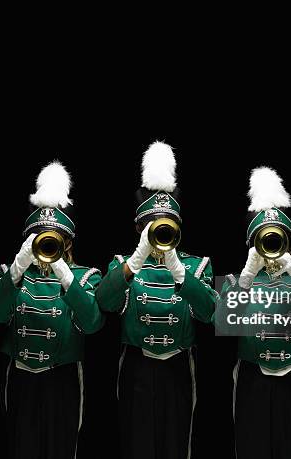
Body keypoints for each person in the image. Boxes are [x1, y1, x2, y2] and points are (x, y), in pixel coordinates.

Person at [95, 141, 217, 459]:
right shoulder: (122, 263)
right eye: (153, 226)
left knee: (177, 444)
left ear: (177, 227)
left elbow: (208, 313)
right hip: (136, 365)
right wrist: (136, 260)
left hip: (178, 366)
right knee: (136, 444)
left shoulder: (197, 265)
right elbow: (105, 302)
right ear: (139, 228)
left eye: (167, 226)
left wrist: (178, 269)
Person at [0, 160, 104, 459]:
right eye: (40, 237)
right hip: (21, 379)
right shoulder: (11, 274)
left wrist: (65, 274)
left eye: (54, 239)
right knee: (20, 447)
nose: (47, 243)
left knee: (62, 449)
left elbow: (92, 323)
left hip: (62, 380)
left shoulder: (87, 276)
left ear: (67, 243)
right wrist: (18, 266)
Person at [217, 166, 291, 459]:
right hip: (252, 378)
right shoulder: (237, 283)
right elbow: (222, 322)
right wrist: (247, 276)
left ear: (290, 243)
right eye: (264, 240)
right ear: (252, 245)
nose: (270, 246)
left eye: (277, 239)